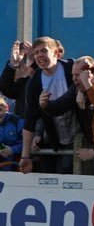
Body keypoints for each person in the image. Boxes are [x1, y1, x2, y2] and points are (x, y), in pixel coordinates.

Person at [19, 36, 79, 174]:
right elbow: (29, 121)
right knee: (59, 171)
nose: (39, 55)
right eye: (36, 52)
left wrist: (81, 90)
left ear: (56, 53)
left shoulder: (72, 67)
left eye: (44, 51)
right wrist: (25, 155)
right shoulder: (33, 83)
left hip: (79, 133)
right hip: (54, 136)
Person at [0, 96, 23, 171]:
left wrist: (12, 150)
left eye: (0, 109)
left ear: (6, 107)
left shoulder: (17, 121)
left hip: (18, 165)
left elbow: (29, 143)